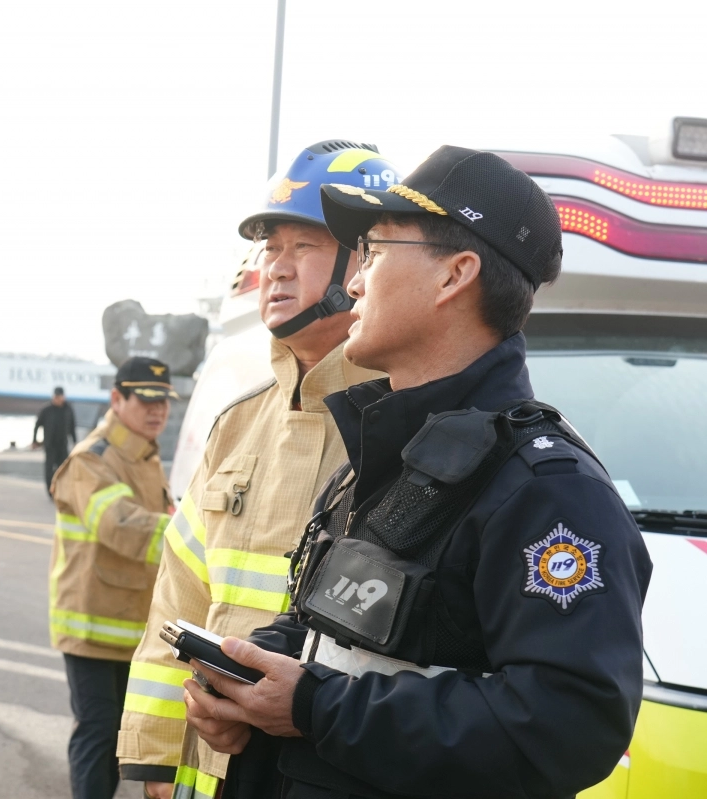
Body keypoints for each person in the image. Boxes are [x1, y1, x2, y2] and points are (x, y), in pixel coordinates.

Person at [181, 146, 654, 799]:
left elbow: (568, 723)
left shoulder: (551, 492)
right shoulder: (382, 457)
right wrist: (245, 673)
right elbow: (332, 633)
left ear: (454, 275)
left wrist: (314, 707)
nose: (354, 282)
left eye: (372, 250)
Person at [118, 142, 397, 799]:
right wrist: (154, 766)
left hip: (319, 770)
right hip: (204, 773)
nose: (276, 267)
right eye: (270, 249)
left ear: (363, 262)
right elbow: (177, 601)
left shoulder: (401, 424)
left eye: (302, 247)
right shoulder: (237, 425)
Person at [49, 356, 177, 799]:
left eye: (163, 400)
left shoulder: (144, 454)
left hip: (137, 627)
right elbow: (120, 525)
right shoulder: (93, 459)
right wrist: (192, 537)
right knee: (100, 733)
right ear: (117, 399)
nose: (157, 409)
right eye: (146, 400)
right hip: (94, 627)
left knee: (132, 739)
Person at [33, 386, 78, 495]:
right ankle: (50, 491)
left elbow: (72, 426)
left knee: (63, 469)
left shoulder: (68, 409)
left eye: (60, 397)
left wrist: (75, 441)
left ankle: (61, 490)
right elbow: (37, 425)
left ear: (63, 397)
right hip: (50, 444)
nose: (58, 399)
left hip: (63, 444)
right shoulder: (46, 410)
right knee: (49, 469)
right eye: (56, 397)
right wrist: (34, 440)